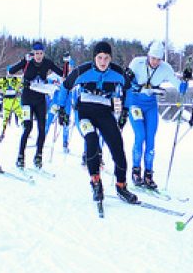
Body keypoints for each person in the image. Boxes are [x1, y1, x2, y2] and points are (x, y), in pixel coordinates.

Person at [55, 41, 138, 204]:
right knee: (91, 140)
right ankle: (95, 182)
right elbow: (65, 87)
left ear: (110, 58)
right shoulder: (82, 71)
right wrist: (61, 110)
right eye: (99, 57)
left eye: (106, 58)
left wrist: (126, 111)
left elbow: (128, 89)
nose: (103, 62)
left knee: (117, 147)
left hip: (105, 112)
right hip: (85, 112)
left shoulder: (117, 72)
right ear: (94, 58)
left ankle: (121, 186)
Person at [125, 41, 188, 189]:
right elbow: (125, 82)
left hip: (151, 105)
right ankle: (135, 171)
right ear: (148, 55)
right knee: (140, 136)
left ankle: (148, 175)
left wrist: (184, 81)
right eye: (153, 58)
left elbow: (179, 86)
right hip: (135, 102)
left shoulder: (165, 68)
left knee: (151, 139)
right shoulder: (137, 63)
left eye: (158, 59)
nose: (155, 62)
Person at [7, 42, 63, 169]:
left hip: (40, 100)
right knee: (28, 127)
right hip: (27, 99)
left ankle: (38, 155)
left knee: (42, 128)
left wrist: (66, 63)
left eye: (41, 53)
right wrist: (22, 61)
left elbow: (62, 73)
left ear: (44, 53)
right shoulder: (28, 62)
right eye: (36, 53)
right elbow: (10, 71)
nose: (38, 56)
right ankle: (20, 156)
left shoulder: (47, 63)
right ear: (33, 53)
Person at [45, 54, 76, 154]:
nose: (70, 68)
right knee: (48, 120)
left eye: (71, 66)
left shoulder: (74, 78)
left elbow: (75, 93)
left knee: (66, 123)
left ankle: (65, 144)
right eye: (68, 66)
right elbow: (47, 82)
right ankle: (41, 139)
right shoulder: (56, 75)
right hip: (55, 103)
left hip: (66, 104)